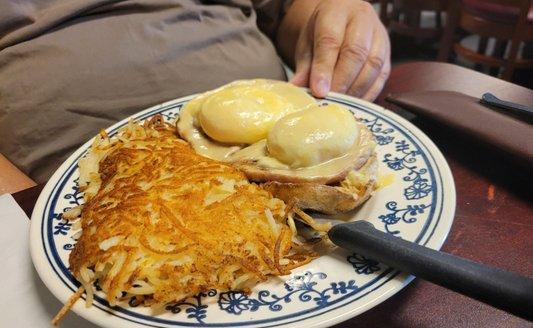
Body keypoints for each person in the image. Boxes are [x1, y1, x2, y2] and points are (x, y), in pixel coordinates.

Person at [0, 0, 390, 183]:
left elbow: (284, 9)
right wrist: (24, 215)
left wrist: (331, 11)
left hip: (281, 145)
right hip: (59, 186)